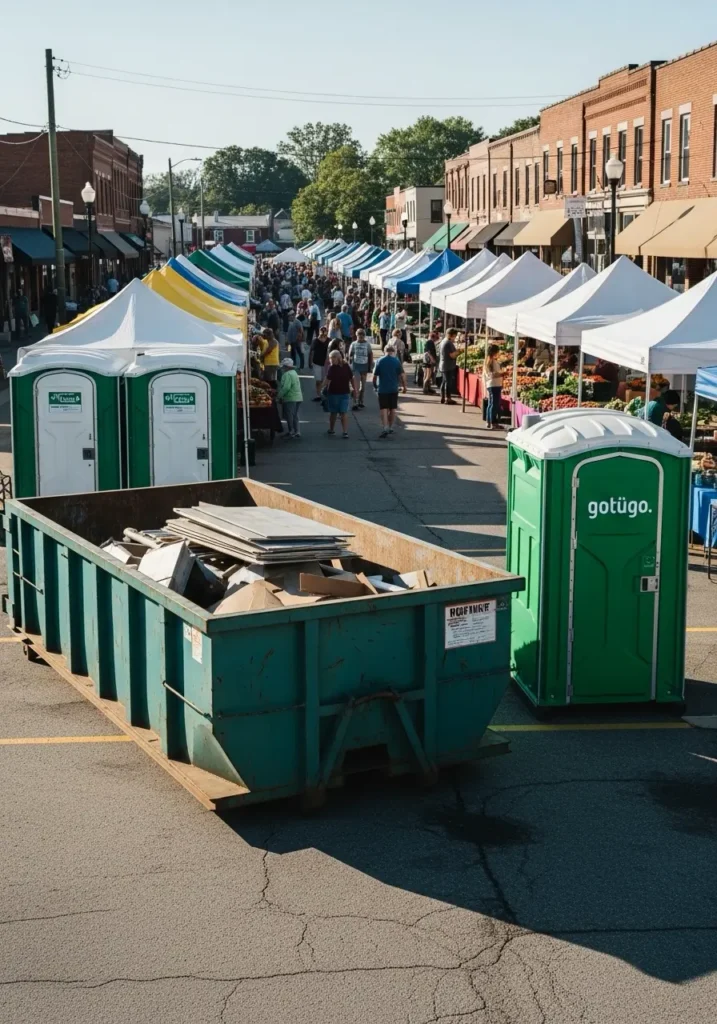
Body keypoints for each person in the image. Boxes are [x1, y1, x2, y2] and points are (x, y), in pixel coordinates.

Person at [373, 342, 407, 438]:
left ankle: (385, 427)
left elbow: (375, 376)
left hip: (382, 389)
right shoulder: (396, 361)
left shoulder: (379, 361)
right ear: (394, 352)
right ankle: (390, 427)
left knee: (383, 409)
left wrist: (375, 386)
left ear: (384, 351)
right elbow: (402, 376)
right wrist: (404, 387)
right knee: (392, 409)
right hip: (393, 388)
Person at [324, 350, 353, 438]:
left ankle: (343, 431)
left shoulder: (336, 367)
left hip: (339, 393)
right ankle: (334, 430)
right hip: (336, 393)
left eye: (333, 358)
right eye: (330, 358)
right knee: (335, 412)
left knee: (340, 412)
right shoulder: (341, 366)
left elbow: (327, 379)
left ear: (338, 358)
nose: (331, 360)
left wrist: (355, 389)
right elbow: (328, 379)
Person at [277, 357, 303, 438]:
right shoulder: (294, 373)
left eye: (284, 367)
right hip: (298, 397)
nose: (283, 368)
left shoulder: (286, 374)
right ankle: (297, 431)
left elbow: (286, 388)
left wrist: (279, 396)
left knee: (289, 415)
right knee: (295, 415)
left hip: (290, 398)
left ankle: (291, 431)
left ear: (286, 367)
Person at [348, 328, 373, 410]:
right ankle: (355, 401)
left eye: (362, 335)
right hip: (356, 367)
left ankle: (361, 401)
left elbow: (370, 355)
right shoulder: (353, 344)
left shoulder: (367, 344)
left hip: (364, 367)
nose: (361, 336)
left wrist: (370, 366)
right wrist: (349, 365)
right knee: (356, 386)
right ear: (357, 335)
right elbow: (350, 355)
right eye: (359, 335)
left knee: (363, 386)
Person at [484, 344, 504, 430]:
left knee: (491, 404)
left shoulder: (489, 361)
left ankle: (489, 421)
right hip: (494, 384)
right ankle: (493, 422)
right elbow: (492, 375)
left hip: (492, 384)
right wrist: (502, 373)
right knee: (494, 404)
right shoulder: (491, 362)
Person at [309, 326, 330, 401]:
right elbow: (312, 351)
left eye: (325, 333)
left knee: (324, 380)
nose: (323, 334)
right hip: (316, 362)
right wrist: (310, 362)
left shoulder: (329, 340)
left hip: (326, 363)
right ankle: (318, 395)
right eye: (322, 332)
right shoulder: (315, 341)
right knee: (318, 380)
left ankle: (324, 394)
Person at [439, 328, 459, 405]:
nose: (455, 337)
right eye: (454, 336)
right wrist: (458, 352)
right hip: (448, 365)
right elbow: (452, 355)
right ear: (451, 335)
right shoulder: (448, 343)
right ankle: (448, 398)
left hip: (443, 364)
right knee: (448, 382)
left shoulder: (443, 341)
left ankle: (443, 397)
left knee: (444, 381)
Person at [423, 330, 439, 395]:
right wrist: (432, 359)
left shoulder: (428, 342)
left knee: (426, 375)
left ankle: (428, 388)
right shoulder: (430, 342)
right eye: (435, 339)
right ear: (433, 338)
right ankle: (425, 389)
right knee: (428, 376)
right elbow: (428, 352)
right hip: (429, 361)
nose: (435, 340)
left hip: (427, 360)